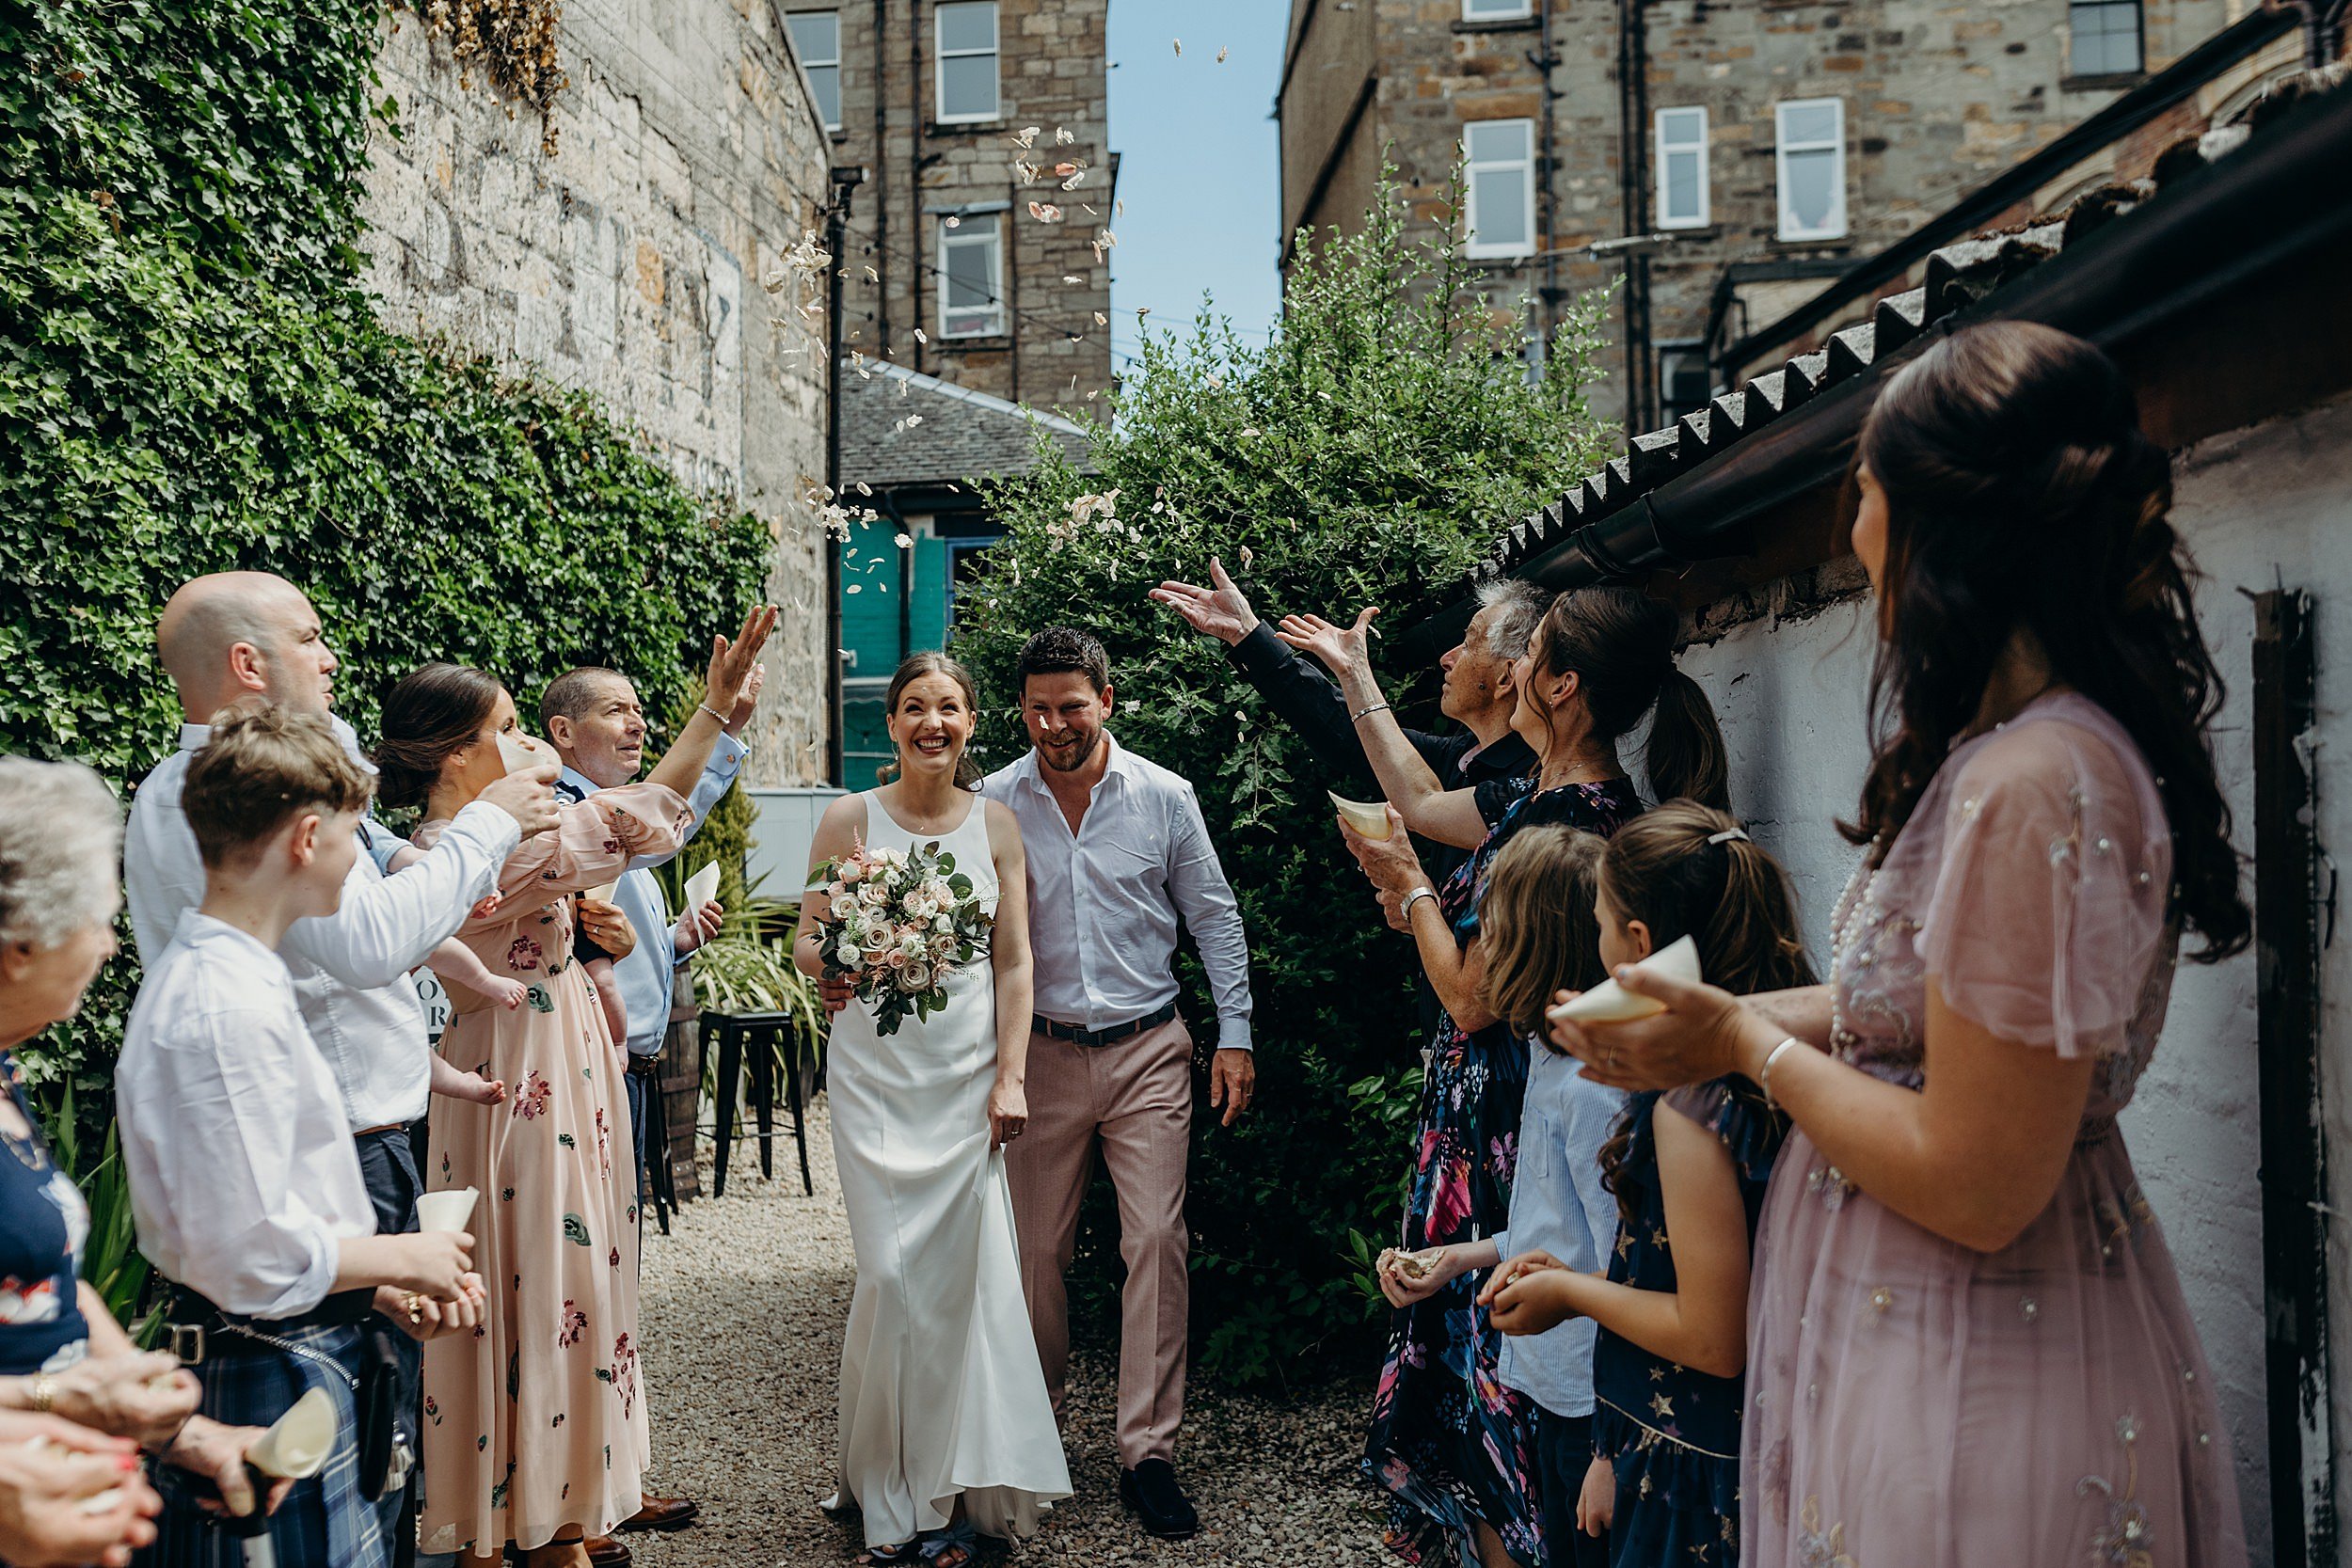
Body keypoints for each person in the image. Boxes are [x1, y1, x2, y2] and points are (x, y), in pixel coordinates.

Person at [1549, 322, 2252, 1565]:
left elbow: (1981, 1177)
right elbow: (1920, 1016)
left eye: (1867, 493)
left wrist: (1737, 1042)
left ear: (1948, 527)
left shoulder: (2034, 778)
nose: (1852, 531)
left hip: (1978, 1341)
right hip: (1925, 1316)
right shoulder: (2012, 752)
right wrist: (1705, 1017)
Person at [1284, 586, 1720, 1568]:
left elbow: (1477, 998)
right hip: (1502, 1124)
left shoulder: (1574, 817)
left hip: (1518, 1123)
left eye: (1527, 654)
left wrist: (1407, 893)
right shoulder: (1527, 791)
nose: (1505, 664)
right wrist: (1353, 675)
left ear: (1561, 684)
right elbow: (1416, 798)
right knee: (1485, 1388)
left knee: (1502, 1412)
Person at [124, 571, 556, 1559]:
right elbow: (364, 945)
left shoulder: (183, 813)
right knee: (332, 1490)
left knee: (375, 1453)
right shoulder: (218, 997)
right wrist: (382, 1259)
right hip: (318, 1217)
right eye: (310, 636)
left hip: (334, 1188)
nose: (330, 657)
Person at [383, 608, 774, 1568]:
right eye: (508, 729)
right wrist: (712, 714)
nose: (525, 743)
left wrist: (713, 716)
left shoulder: (502, 833)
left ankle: (555, 1512)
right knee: (534, 1275)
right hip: (517, 1071)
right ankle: (512, 1523)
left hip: (566, 1059)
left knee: (571, 1272)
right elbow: (634, 816)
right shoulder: (456, 852)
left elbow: (626, 820)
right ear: (453, 758)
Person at [976, 626, 1255, 1543]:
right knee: (1031, 1257)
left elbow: (1212, 916)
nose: (1055, 722)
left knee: (1158, 1240)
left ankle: (1149, 1451)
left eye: (1072, 704)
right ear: (1021, 708)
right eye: (1039, 706)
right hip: (1040, 1055)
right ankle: (1035, 1429)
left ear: (1107, 697)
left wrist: (1236, 1033)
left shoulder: (1165, 797)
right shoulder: (991, 804)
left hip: (1148, 1048)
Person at [793, 651, 1071, 1565]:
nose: (932, 721)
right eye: (914, 705)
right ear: (892, 724)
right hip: (873, 1079)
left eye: (948, 706)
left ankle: (943, 1492)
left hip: (964, 1084)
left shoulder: (996, 826)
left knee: (956, 1291)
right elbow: (805, 940)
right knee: (890, 1279)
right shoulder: (846, 818)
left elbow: (1016, 961)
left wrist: (1012, 1076)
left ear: (969, 721)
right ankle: (886, 1484)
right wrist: (840, 952)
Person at [1483, 803, 1815, 1566]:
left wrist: (1572, 1293)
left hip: (1686, 1458)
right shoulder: (1777, 1059)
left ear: (1635, 946)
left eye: (1600, 921)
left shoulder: (1689, 1102)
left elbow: (1710, 1333)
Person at [538, 662, 759, 1554]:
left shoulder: (605, 807)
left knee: (615, 1282)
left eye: (639, 712)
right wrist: (720, 723)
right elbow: (668, 818)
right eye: (616, 712)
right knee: (591, 1287)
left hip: (621, 1066)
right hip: (580, 1073)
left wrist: (669, 939)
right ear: (563, 732)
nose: (635, 724)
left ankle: (610, 1481)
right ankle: (584, 1496)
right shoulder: (567, 808)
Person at [1374, 825, 1617, 1568]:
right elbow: (1555, 1232)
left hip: (1589, 1404)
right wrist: (1459, 1257)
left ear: (1533, 946)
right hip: (1542, 1381)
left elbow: (1623, 1270)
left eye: (1489, 929)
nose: (1476, 950)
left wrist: (1610, 1449)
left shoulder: (1594, 1089)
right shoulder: (1551, 1052)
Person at [1151, 564, 1546, 892]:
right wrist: (1247, 634)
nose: (1447, 658)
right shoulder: (1461, 755)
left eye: (1469, 642)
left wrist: (1415, 896)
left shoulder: (1533, 789)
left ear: (1507, 678)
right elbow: (1348, 733)